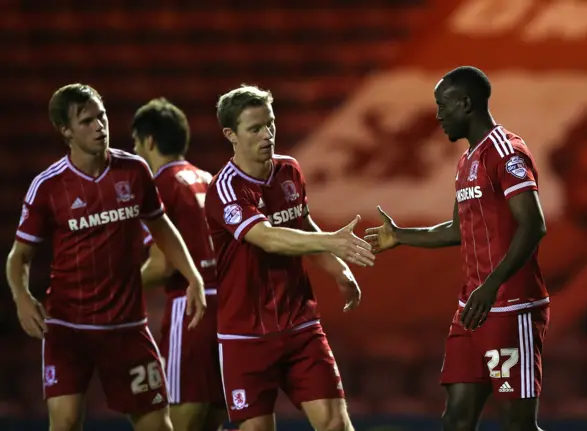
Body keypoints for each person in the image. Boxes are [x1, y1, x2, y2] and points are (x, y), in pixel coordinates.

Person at [5, 84, 206, 431]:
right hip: (69, 329)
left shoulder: (134, 170)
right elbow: (19, 256)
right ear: (65, 131)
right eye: (87, 121)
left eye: (102, 116)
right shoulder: (49, 186)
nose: (100, 126)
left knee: (158, 426)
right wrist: (22, 297)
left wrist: (194, 276)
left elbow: (162, 228)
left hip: (127, 328)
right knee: (65, 423)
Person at [365, 66, 549, 431]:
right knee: (457, 420)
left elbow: (534, 224)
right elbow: (456, 230)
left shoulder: (506, 153)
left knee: (517, 425)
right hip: (472, 309)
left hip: (511, 306)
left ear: (465, 103)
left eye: (442, 105)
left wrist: (492, 285)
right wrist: (402, 235)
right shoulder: (466, 161)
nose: (438, 115)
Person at [204, 85, 374, 431]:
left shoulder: (289, 171)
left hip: (300, 326)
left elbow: (302, 223)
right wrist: (332, 241)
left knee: (336, 425)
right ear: (230, 135)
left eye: (270, 124)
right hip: (246, 336)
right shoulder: (226, 190)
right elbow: (266, 238)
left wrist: (337, 268)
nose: (267, 135)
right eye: (255, 129)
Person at [132, 97, 227, 431]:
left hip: (190, 310)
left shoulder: (159, 186)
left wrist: (113, 291)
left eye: (135, 142)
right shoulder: (209, 178)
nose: (135, 150)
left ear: (149, 141)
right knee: (210, 422)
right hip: (229, 308)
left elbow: (161, 267)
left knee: (178, 420)